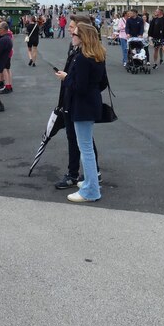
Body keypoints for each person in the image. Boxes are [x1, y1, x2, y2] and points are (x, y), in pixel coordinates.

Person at [54, 23, 106, 203]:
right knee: (87, 148)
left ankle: (91, 190)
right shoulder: (97, 55)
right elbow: (100, 83)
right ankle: (90, 184)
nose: (72, 36)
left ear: (83, 37)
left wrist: (66, 77)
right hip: (91, 104)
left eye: (75, 34)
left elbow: (80, 87)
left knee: (86, 149)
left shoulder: (83, 57)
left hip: (82, 106)